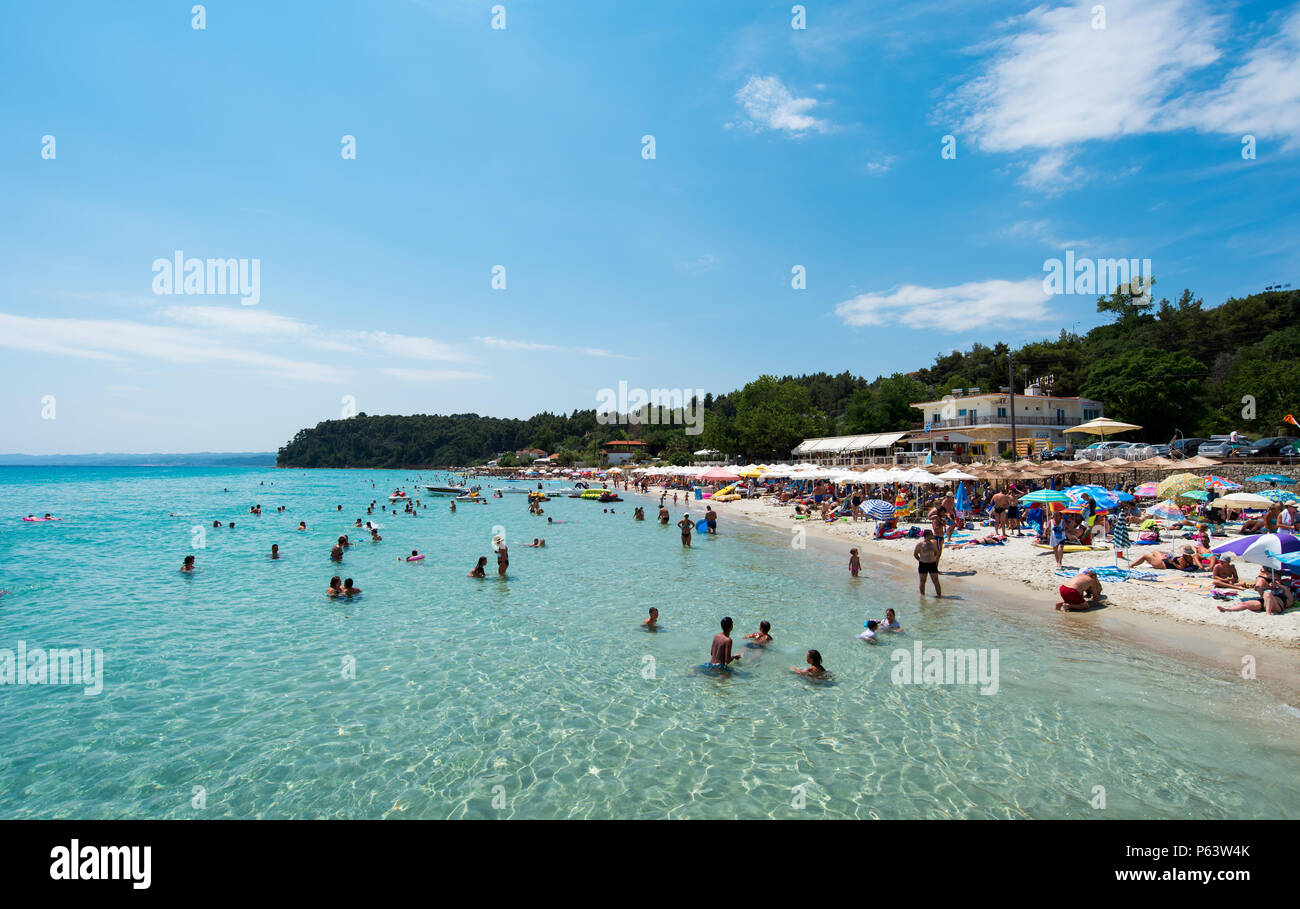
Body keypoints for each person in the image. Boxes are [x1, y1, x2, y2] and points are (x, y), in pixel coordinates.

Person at [1129, 544, 1199, 571]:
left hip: (1163, 565)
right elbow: (1190, 564)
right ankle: (1151, 561)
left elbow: (1181, 568)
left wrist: (1173, 563)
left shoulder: (1183, 559)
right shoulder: (1189, 558)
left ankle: (1132, 565)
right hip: (1164, 560)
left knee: (1145, 556)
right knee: (1155, 551)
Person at [914, 529, 942, 596]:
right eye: (931, 534)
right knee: (922, 581)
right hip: (923, 564)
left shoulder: (933, 543)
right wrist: (920, 560)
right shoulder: (920, 544)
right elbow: (915, 554)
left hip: (932, 564)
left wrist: (933, 558)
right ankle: (922, 597)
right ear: (926, 535)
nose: (932, 535)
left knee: (936, 581)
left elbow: (937, 553)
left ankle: (939, 596)